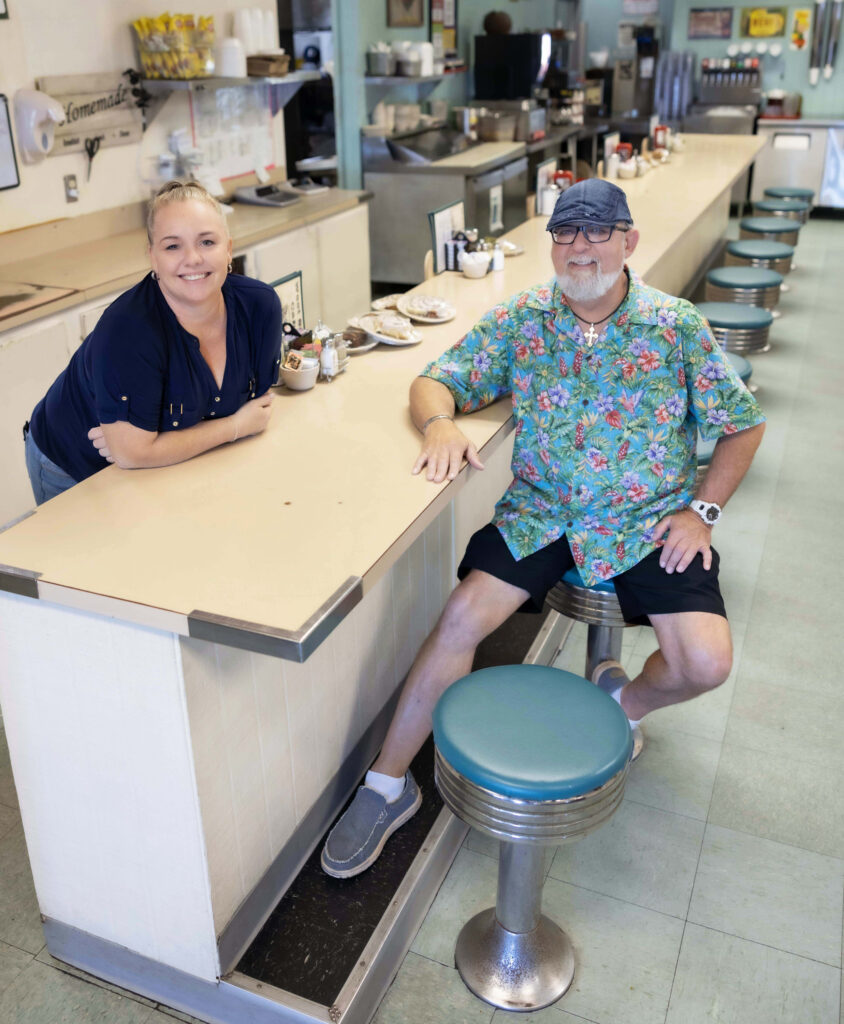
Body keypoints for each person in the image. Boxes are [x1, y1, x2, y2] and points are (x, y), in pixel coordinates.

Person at [321, 179, 765, 879]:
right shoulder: (523, 319)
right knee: (463, 615)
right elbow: (435, 381)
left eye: (598, 230)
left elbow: (743, 423)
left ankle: (625, 702)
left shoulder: (676, 326)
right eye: (566, 232)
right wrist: (439, 422)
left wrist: (701, 511)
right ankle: (386, 785)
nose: (581, 246)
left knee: (705, 663)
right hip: (542, 514)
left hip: (645, 522)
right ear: (552, 244)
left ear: (628, 241)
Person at [23, 180, 281, 504]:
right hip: (72, 463)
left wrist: (155, 441)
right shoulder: (128, 330)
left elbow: (258, 405)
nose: (192, 258)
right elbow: (133, 453)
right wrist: (234, 427)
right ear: (153, 258)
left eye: (207, 242)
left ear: (228, 248)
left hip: (169, 469)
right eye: (172, 246)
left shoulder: (259, 307)